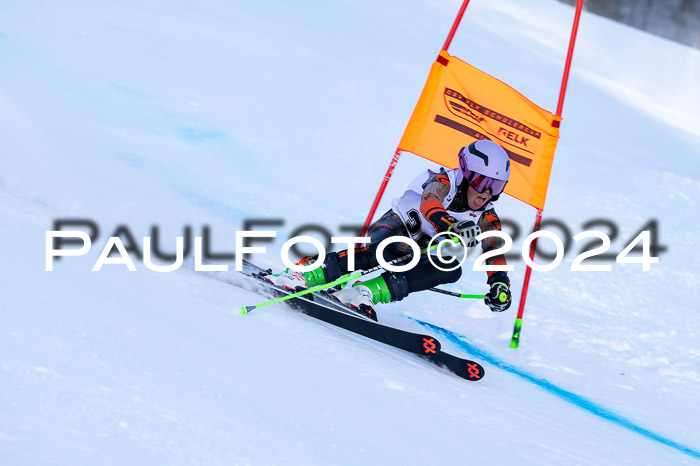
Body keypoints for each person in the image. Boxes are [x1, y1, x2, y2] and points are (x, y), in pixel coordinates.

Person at [265, 140, 513, 320]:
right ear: (466, 174)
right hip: (394, 229)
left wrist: (499, 284)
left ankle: (364, 292)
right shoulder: (444, 182)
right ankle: (307, 273)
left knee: (451, 269)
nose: (486, 193)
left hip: (419, 252)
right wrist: (452, 226)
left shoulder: (487, 216)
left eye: (497, 185)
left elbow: (493, 250)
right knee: (389, 249)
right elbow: (430, 204)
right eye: (483, 182)